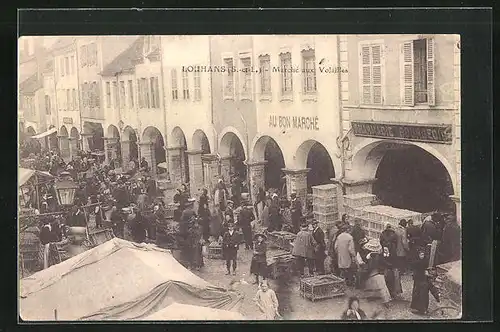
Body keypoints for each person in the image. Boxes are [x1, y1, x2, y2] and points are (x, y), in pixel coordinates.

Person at [360, 239, 391, 306]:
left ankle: (374, 297)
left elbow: (370, 265)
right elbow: (384, 263)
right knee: (382, 286)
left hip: (374, 272)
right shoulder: (379, 255)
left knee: (373, 284)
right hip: (380, 271)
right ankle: (386, 300)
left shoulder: (370, 256)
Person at [410, 246, 440, 315]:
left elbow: (426, 271)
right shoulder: (416, 261)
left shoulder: (424, 261)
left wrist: (426, 273)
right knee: (417, 294)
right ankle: (419, 308)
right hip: (418, 279)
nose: (422, 256)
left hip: (423, 280)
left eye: (423, 254)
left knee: (423, 295)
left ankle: (423, 310)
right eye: (421, 254)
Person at [380, 223, 402, 300]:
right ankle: (396, 291)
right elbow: (396, 244)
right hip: (393, 258)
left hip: (386, 258)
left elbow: (381, 243)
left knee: (386, 276)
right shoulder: (394, 235)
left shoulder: (382, 234)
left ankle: (386, 291)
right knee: (396, 275)